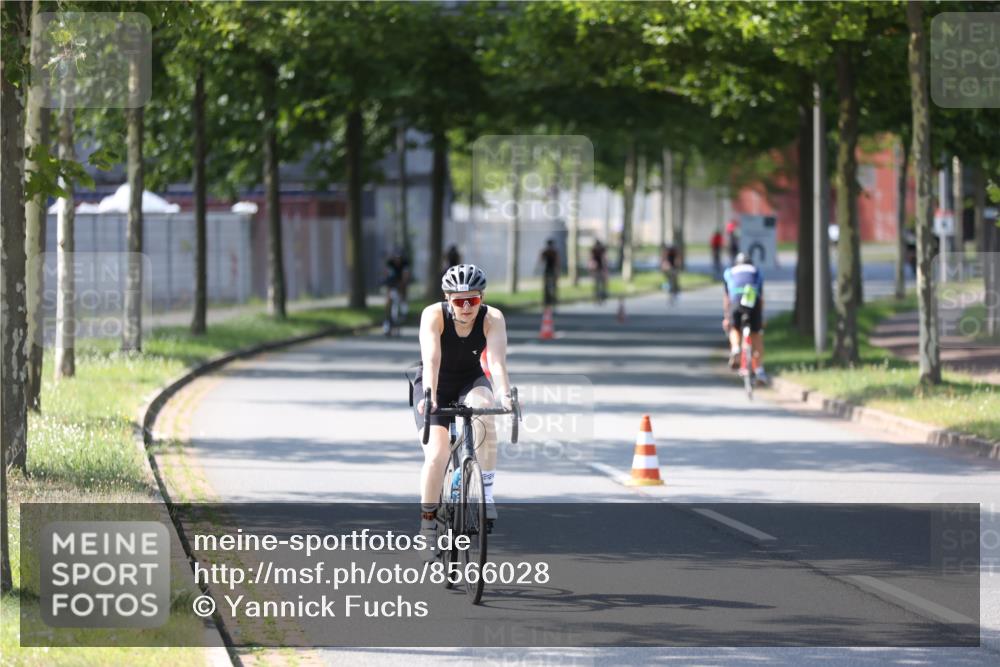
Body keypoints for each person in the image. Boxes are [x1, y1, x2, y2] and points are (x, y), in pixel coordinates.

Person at [412, 264, 512, 557]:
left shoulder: (493, 318)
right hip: (435, 384)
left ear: (481, 298)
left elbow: (496, 363)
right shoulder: (433, 315)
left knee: (485, 410)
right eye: (459, 301)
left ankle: (486, 496)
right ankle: (427, 527)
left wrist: (505, 395)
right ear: (447, 299)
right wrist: (429, 395)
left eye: (473, 300)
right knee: (437, 454)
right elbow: (431, 361)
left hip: (470, 380)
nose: (467, 307)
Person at [722, 252, 768, 385]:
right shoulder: (756, 271)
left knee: (734, 327)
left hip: (736, 299)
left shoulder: (729, 272)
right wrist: (761, 317)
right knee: (756, 334)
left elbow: (727, 299)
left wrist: (726, 317)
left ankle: (736, 348)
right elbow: (761, 297)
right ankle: (759, 370)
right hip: (751, 298)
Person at [383, 247, 411, 334]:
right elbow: (386, 274)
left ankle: (403, 310)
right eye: (396, 258)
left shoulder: (405, 263)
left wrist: (402, 286)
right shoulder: (390, 263)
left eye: (399, 258)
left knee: (402, 294)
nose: (397, 260)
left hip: (401, 282)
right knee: (388, 301)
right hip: (391, 282)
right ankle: (387, 321)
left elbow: (405, 276)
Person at [539, 238, 560, 307]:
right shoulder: (554, 252)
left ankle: (547, 299)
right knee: (553, 285)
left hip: (547, 270)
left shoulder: (545, 251)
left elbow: (541, 260)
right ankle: (553, 298)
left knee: (547, 285)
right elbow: (557, 262)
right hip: (552, 270)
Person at [589, 239, 608, 304]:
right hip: (596, 269)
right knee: (597, 285)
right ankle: (597, 298)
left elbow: (605, 259)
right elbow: (591, 260)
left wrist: (605, 269)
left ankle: (602, 298)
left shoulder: (602, 250)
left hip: (600, 269)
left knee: (602, 285)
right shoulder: (594, 250)